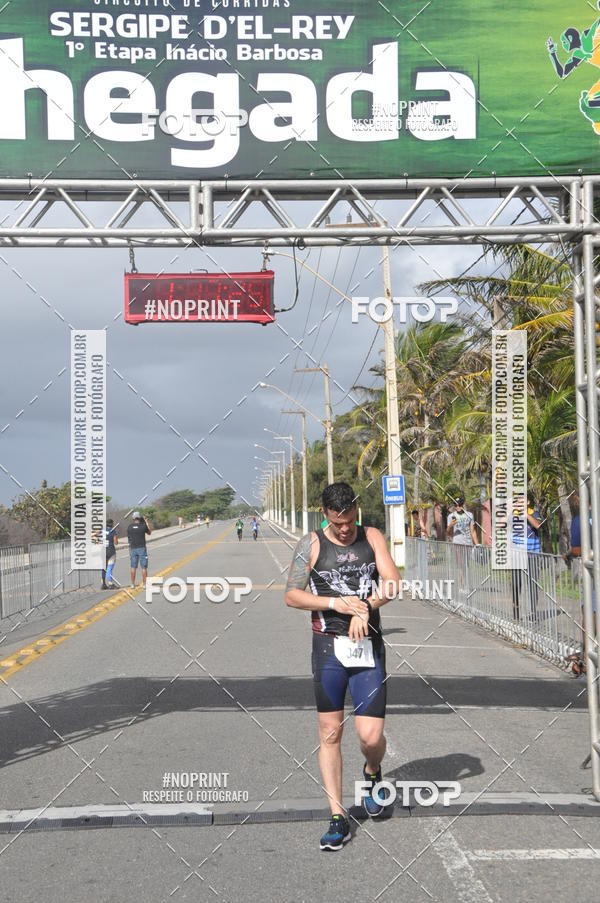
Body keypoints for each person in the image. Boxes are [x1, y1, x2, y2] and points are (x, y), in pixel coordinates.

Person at [285, 482, 401, 851]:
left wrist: (365, 606)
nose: (346, 529)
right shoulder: (311, 544)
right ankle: (337, 816)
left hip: (368, 647)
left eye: (350, 521)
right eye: (338, 524)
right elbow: (291, 594)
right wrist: (338, 604)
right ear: (325, 516)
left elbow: (393, 583)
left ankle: (371, 772)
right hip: (328, 649)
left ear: (356, 511)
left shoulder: (372, 536)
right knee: (330, 733)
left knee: (370, 738)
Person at [547, 4, 600, 134]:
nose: (564, 46)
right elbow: (563, 74)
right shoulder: (578, 55)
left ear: (571, 39)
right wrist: (553, 54)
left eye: (564, 42)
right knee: (588, 103)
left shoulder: (588, 36)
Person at [564, 496, 596, 677]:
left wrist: (568, 553)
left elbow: (578, 548)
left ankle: (585, 659)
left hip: (594, 575)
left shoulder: (580, 519)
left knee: (590, 615)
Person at [511, 494, 542, 623]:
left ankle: (533, 613)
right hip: (516, 555)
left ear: (527, 501)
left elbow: (538, 525)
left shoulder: (534, 513)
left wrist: (526, 515)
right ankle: (516, 612)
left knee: (532, 584)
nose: (518, 502)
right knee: (516, 584)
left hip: (532, 555)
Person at [446, 494, 478, 597]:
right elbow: (448, 532)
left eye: (459, 504)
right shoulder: (451, 516)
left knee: (466, 565)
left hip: (468, 543)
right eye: (455, 505)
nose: (458, 506)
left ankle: (466, 584)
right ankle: (463, 586)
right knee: (461, 565)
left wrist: (477, 544)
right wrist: (451, 525)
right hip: (458, 543)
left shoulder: (469, 515)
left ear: (463, 504)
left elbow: (472, 531)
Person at [127, 511, 151, 588]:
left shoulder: (129, 527)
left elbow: (129, 537)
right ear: (139, 518)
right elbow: (149, 532)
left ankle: (132, 584)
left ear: (133, 518)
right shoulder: (143, 526)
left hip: (133, 548)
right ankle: (144, 584)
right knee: (144, 567)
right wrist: (146, 522)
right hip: (142, 548)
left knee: (133, 567)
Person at [101, 519, 118, 589]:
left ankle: (103, 584)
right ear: (111, 524)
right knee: (109, 568)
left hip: (103, 551)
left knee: (103, 568)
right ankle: (110, 584)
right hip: (111, 551)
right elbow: (116, 542)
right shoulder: (113, 531)